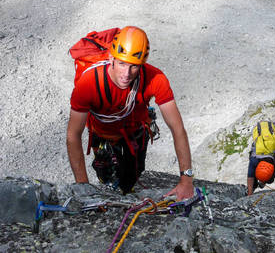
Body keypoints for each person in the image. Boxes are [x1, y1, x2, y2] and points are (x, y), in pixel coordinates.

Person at [66, 26, 194, 199]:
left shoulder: (155, 79)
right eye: (122, 63)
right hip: (103, 135)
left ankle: (127, 190)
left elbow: (177, 128)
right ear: (111, 57)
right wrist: (83, 187)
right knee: (109, 178)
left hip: (136, 131)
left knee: (134, 173)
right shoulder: (88, 84)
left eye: (134, 67)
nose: (126, 74)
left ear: (142, 65)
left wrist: (186, 180)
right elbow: (73, 135)